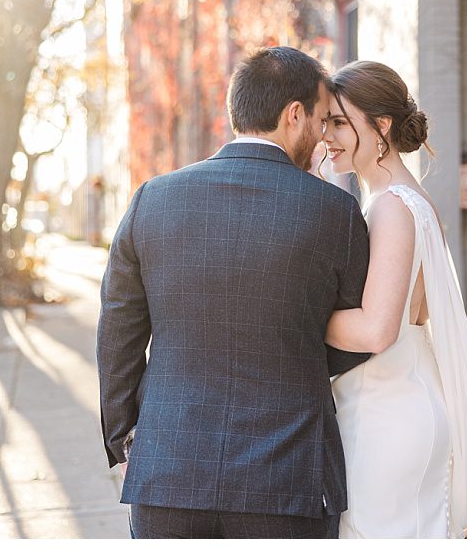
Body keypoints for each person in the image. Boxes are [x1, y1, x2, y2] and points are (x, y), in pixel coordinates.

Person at [97, 46, 372, 539]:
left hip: (168, 471)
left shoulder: (151, 200)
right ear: (294, 115)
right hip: (288, 480)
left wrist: (123, 442)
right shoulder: (336, 212)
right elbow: (354, 339)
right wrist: (293, 354)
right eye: (320, 118)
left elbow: (118, 330)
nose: (323, 134)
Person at [322, 60, 467, 538]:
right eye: (325, 123)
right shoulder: (402, 199)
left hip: (386, 418)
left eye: (340, 121)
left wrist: (293, 315)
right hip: (401, 406)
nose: (327, 136)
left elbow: (379, 329)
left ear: (379, 126)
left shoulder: (392, 208)